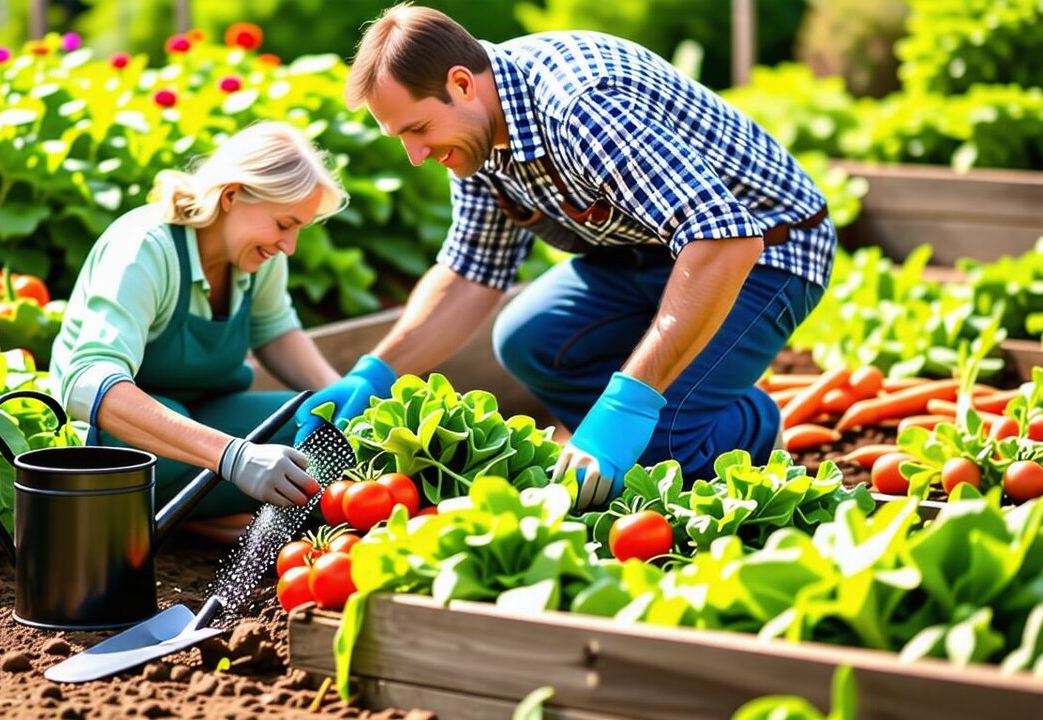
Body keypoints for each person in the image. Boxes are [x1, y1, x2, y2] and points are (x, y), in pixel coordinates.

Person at [296, 4, 832, 511]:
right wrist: (376, 373)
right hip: (649, 253)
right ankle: (668, 427)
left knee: (655, 446)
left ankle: (749, 426)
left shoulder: (580, 106)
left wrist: (629, 405)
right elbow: (469, 272)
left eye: (417, 130)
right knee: (530, 339)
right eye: (400, 138)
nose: (415, 157)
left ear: (461, 84)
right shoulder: (479, 133)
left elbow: (724, 240)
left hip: (768, 252)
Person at [50, 121, 348, 530]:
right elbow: (86, 384)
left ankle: (193, 517)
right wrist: (234, 457)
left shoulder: (260, 256)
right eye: (283, 224)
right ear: (231, 196)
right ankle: (192, 517)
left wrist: (346, 405)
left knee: (322, 436)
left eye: (299, 228)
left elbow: (276, 331)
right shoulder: (146, 248)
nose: (289, 246)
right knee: (161, 443)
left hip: (206, 418)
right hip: (116, 444)